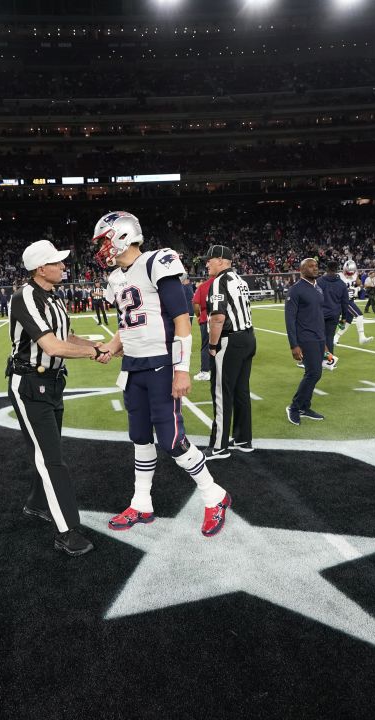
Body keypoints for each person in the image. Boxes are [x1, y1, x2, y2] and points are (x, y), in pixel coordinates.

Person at [92, 211, 233, 538]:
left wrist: (181, 370)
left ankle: (214, 495)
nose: (101, 248)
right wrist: (111, 348)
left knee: (171, 440)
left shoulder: (158, 261)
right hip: (133, 367)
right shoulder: (116, 277)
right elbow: (127, 325)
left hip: (160, 365)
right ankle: (141, 503)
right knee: (139, 436)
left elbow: (181, 320)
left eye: (104, 240)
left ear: (123, 235)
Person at [7, 240, 113, 557]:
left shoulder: (54, 297)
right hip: (29, 383)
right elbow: (52, 347)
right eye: (58, 263)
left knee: (49, 451)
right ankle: (67, 531)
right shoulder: (25, 296)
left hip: (52, 383)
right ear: (42, 268)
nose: (64, 267)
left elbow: (66, 337)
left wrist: (99, 347)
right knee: (51, 459)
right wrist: (94, 352)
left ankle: (38, 503)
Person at [203, 245, 256, 459]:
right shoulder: (240, 281)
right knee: (241, 390)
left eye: (210, 260)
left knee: (222, 392)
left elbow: (218, 317)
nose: (207, 264)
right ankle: (243, 439)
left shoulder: (219, 282)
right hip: (248, 337)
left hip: (230, 340)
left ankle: (219, 446)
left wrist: (213, 345)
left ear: (222, 260)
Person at [284, 258, 328, 426]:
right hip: (305, 338)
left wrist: (323, 340)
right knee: (313, 373)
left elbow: (318, 316)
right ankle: (294, 407)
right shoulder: (296, 290)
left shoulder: (318, 288)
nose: (315, 268)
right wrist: (294, 345)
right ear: (301, 270)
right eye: (310, 266)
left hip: (318, 337)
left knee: (315, 373)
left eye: (316, 265)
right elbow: (289, 319)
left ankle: (305, 407)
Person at [334, 260, 374, 346]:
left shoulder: (355, 275)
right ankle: (362, 337)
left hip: (350, 299)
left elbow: (360, 285)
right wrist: (345, 291)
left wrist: (357, 289)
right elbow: (334, 289)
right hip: (343, 301)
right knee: (359, 315)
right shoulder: (339, 276)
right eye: (348, 273)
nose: (350, 275)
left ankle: (335, 338)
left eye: (351, 273)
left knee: (348, 321)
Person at [191, 273, 214, 381]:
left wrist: (199, 316)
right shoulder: (225, 283)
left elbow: (195, 304)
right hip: (224, 318)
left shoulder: (203, 286)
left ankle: (205, 371)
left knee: (206, 346)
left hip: (206, 317)